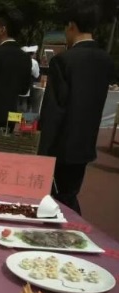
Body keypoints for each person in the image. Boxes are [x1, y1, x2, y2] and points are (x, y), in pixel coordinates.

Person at [38, 0, 114, 214]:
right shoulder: (105, 61)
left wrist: (42, 152)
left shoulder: (63, 61)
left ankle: (76, 229)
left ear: (71, 25)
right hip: (85, 144)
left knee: (57, 200)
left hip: (60, 146)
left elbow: (53, 111)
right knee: (69, 193)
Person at [18, 45, 40, 112]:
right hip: (27, 84)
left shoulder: (19, 60)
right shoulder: (34, 62)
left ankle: (14, 117)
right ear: (32, 54)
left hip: (17, 83)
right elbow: (36, 75)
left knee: (17, 102)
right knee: (24, 102)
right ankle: (23, 117)